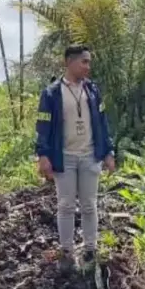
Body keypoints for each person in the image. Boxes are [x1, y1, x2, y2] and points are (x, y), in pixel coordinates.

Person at [35, 44, 115, 274]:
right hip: (65, 158)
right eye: (84, 62)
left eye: (89, 62)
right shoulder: (51, 93)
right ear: (69, 62)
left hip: (90, 155)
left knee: (89, 204)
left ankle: (90, 249)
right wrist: (43, 155)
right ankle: (67, 252)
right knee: (66, 205)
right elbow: (43, 126)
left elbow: (102, 123)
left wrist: (108, 152)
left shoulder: (92, 90)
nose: (88, 67)